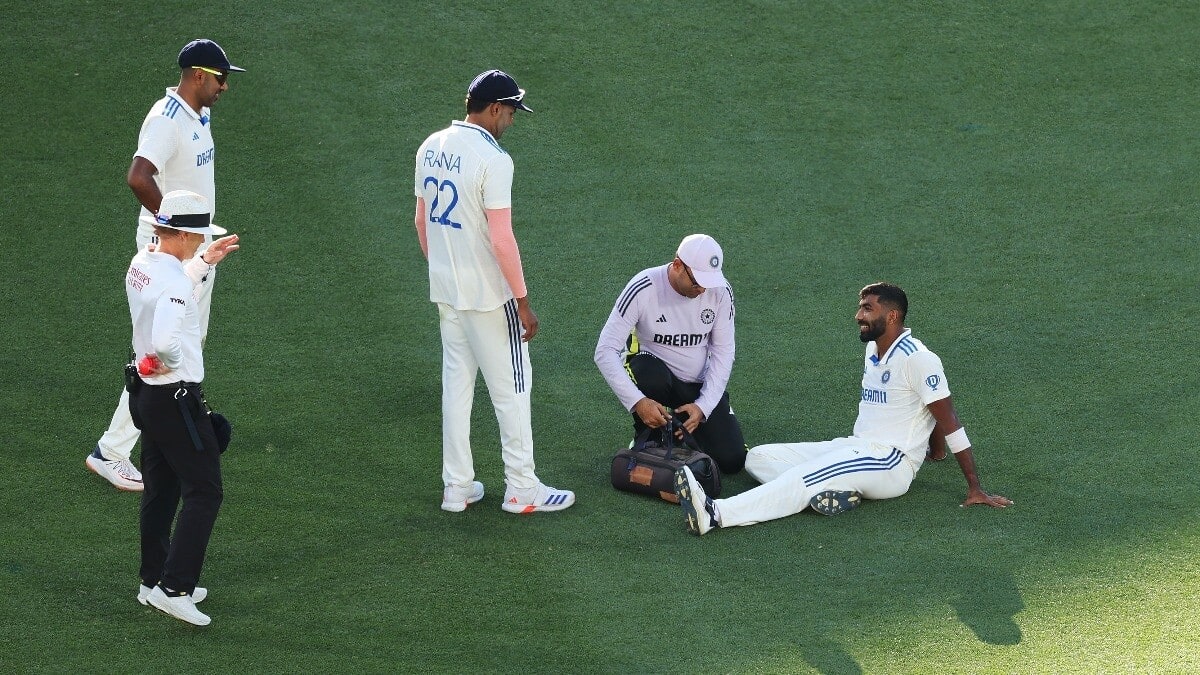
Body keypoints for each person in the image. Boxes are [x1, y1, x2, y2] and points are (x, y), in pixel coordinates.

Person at [675, 282, 1012, 536]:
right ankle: (835, 492)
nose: (858, 316)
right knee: (758, 458)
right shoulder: (874, 350)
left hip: (889, 460)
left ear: (892, 315)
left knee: (803, 478)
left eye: (867, 309)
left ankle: (715, 514)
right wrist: (935, 452)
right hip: (855, 447)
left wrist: (974, 486)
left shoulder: (919, 358)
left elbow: (947, 417)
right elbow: (928, 408)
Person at [87, 38, 245, 492]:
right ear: (198, 75)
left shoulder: (199, 112)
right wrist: (175, 231)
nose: (225, 86)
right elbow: (138, 176)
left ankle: (166, 427)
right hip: (175, 247)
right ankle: (112, 451)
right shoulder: (166, 120)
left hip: (190, 244)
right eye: (220, 78)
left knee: (185, 340)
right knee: (161, 349)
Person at [413, 69, 574, 514]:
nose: (513, 121)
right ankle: (522, 487)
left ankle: (456, 488)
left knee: (457, 387)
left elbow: (421, 222)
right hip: (488, 296)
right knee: (512, 391)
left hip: (446, 291)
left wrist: (446, 270)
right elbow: (502, 239)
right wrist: (522, 301)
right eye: (512, 111)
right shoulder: (494, 159)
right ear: (496, 108)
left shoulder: (431, 146)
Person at [125, 190, 239, 625]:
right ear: (186, 234)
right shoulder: (172, 282)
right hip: (174, 398)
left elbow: (167, 289)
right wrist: (164, 361)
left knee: (161, 490)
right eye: (197, 238)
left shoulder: (142, 263)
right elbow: (166, 341)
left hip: (146, 397)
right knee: (204, 492)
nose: (198, 241)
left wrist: (203, 262)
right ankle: (174, 589)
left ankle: (151, 581)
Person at [594, 234, 747, 474]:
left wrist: (704, 407)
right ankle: (651, 434)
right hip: (655, 377)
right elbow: (604, 350)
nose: (703, 289)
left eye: (708, 282)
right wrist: (637, 402)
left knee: (732, 461)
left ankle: (679, 434)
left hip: (698, 384)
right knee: (646, 371)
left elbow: (723, 352)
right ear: (677, 266)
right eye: (697, 282)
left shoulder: (720, 291)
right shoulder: (643, 287)